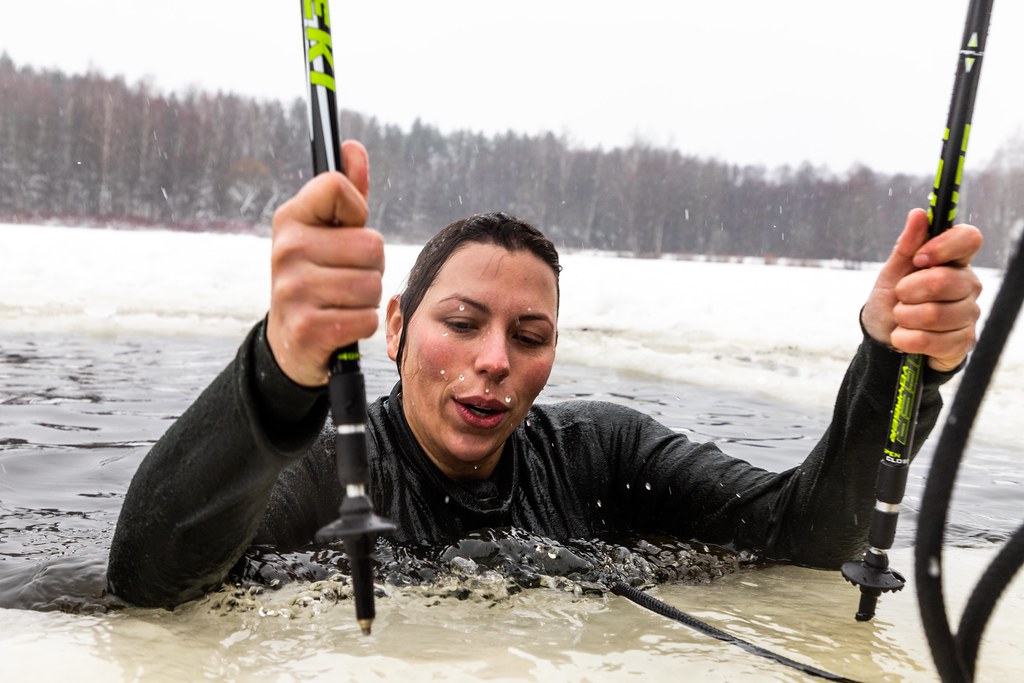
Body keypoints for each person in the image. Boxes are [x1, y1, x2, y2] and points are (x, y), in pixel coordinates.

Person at [106, 141, 984, 608]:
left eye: (531, 334)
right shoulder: (329, 470)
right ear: (397, 329)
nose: (496, 359)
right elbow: (149, 577)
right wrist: (280, 369)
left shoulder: (603, 453)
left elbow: (807, 533)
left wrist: (890, 356)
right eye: (461, 322)